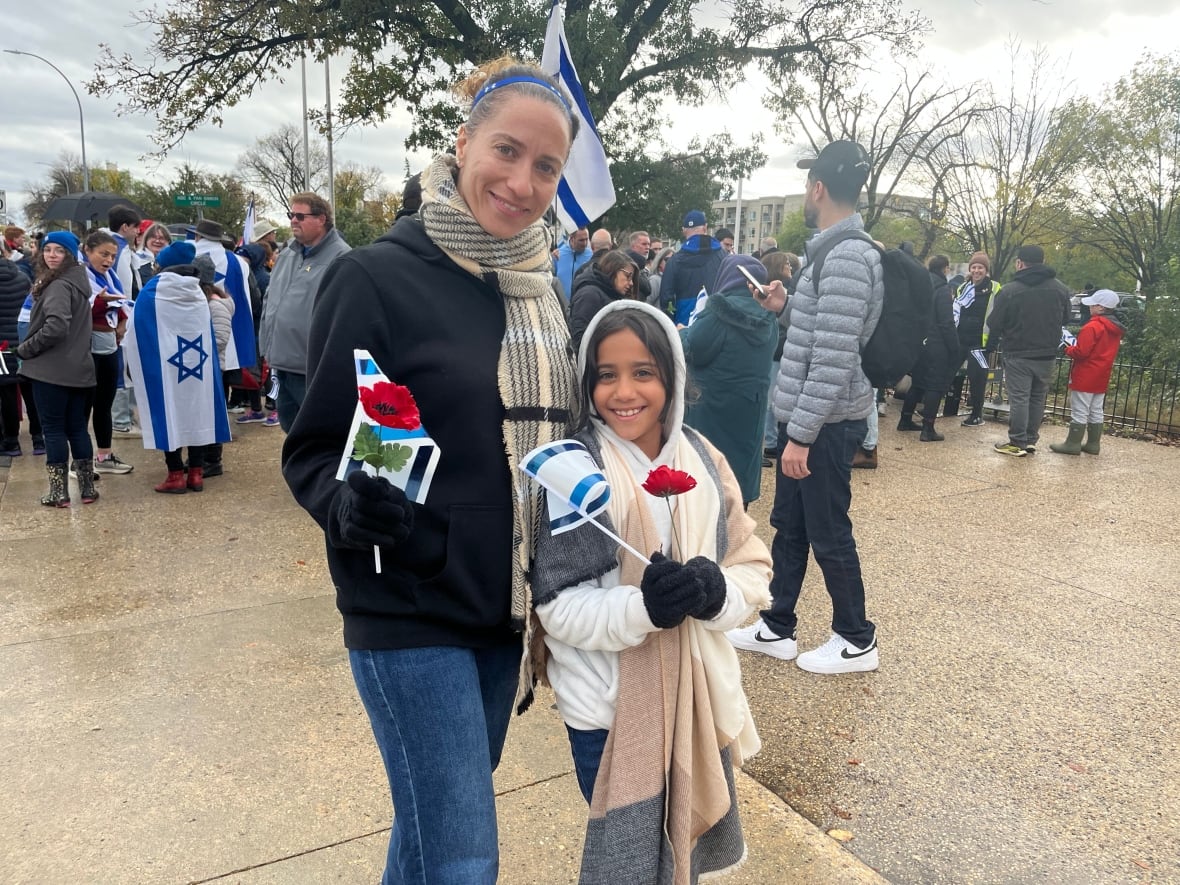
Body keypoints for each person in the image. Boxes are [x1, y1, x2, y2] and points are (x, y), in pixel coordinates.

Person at [281, 57, 580, 884]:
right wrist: (345, 505)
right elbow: (311, 448)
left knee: (426, 840)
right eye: (507, 151)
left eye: (546, 166)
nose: (522, 181)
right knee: (462, 859)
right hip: (406, 605)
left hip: (502, 608)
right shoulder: (373, 276)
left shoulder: (540, 288)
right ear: (463, 143)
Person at [533, 301, 771, 879]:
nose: (624, 391)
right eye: (605, 375)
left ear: (673, 376)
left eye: (643, 372)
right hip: (609, 716)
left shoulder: (705, 461)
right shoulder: (576, 472)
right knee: (633, 867)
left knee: (680, 864)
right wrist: (644, 608)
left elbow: (752, 565)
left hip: (696, 702)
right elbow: (558, 607)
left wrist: (716, 595)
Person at [726, 139, 883, 674]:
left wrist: (802, 435)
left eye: (807, 183)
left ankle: (855, 637)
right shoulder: (831, 253)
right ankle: (777, 625)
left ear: (818, 188)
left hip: (826, 424)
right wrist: (785, 306)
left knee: (828, 528)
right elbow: (823, 331)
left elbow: (836, 356)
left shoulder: (847, 257)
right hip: (813, 418)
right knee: (790, 524)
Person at [124, 242, 231, 494]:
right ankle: (195, 473)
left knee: (168, 412)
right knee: (197, 413)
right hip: (198, 367)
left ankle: (175, 475)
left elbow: (136, 329)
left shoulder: (153, 290)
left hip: (165, 367)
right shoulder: (197, 293)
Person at [680, 254, 778, 505]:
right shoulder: (770, 316)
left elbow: (696, 350)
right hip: (750, 408)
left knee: (710, 477)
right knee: (737, 477)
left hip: (712, 407)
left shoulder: (717, 312)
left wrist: (682, 333)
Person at [15, 231, 98, 507]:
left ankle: (59, 492)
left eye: (59, 250)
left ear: (70, 255)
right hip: (80, 369)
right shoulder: (80, 281)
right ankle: (87, 489)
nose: (51, 255)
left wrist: (26, 349)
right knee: (77, 429)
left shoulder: (59, 285)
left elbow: (56, 327)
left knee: (53, 430)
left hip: (51, 370)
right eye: (47, 249)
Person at [258, 193, 351, 431]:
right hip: (281, 363)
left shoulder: (341, 258)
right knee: (290, 431)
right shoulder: (287, 254)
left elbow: (343, 316)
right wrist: (266, 346)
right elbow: (270, 299)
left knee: (318, 435)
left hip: (312, 369)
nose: (293, 221)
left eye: (300, 216)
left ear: (321, 219)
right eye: (291, 215)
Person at [985, 244, 1071, 456]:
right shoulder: (1060, 288)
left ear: (1019, 263)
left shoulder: (1010, 290)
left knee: (1019, 398)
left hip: (1018, 351)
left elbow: (994, 322)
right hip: (1047, 353)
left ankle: (1017, 442)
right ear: (1043, 262)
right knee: (1037, 398)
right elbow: (1067, 318)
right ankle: (1031, 439)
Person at [1050, 288, 1125, 456]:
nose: (1089, 308)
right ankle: (1093, 444)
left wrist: (1068, 349)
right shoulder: (1115, 328)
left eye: (1093, 305)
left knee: (1080, 409)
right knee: (1096, 409)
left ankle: (1073, 443)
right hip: (1102, 373)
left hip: (1085, 373)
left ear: (1101, 308)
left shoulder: (1092, 326)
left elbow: (1081, 352)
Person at [897, 255, 958, 442]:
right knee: (934, 386)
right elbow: (946, 322)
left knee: (918, 382)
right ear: (945, 269)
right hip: (937, 344)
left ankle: (905, 419)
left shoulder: (922, 286)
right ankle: (928, 428)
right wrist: (954, 347)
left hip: (920, 342)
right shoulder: (943, 290)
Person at [950, 252, 1001, 425]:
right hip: (961, 338)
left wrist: (993, 342)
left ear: (986, 270)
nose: (977, 270)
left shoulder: (995, 288)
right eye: (974, 267)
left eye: (980, 267)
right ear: (970, 269)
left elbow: (999, 317)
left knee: (977, 378)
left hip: (981, 343)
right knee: (947, 371)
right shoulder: (962, 288)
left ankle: (976, 414)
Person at [568, 249, 638, 351]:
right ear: (613, 270)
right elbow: (581, 339)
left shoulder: (612, 294)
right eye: (628, 276)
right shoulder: (589, 295)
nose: (631, 283)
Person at [662, 210, 724, 325]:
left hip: (684, 322)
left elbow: (667, 297)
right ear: (705, 228)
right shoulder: (723, 256)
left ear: (684, 231)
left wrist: (671, 320)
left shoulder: (674, 260)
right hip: (716, 321)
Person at [1, 254, 34, 456]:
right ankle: (39, 439)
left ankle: (11, 441)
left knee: (5, 393)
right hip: (21, 341)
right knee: (28, 390)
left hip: (1, 346)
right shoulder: (22, 277)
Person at [553, 226, 590, 298]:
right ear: (572, 239)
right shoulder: (558, 254)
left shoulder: (591, 255)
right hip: (561, 305)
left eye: (586, 239)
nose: (585, 243)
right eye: (581, 240)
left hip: (582, 303)